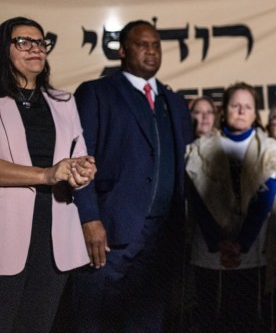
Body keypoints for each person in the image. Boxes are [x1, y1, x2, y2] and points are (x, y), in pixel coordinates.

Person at [72, 19, 193, 332]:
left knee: (146, 321)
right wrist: (88, 219)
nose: (151, 51)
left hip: (161, 234)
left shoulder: (174, 101)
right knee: (95, 320)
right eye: (143, 44)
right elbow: (79, 160)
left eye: (156, 45)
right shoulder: (96, 93)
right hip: (111, 231)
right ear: (123, 50)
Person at [0, 17, 96, 333]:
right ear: (4, 49)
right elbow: (51, 172)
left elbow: (76, 157)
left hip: (54, 240)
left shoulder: (64, 101)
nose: (36, 49)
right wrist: (47, 174)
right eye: (23, 42)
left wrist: (81, 171)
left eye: (41, 42)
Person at [185, 82, 276, 332]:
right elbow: (196, 200)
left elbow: (265, 201)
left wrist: (240, 244)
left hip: (253, 253)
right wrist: (219, 241)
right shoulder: (198, 149)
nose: (241, 111)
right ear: (224, 110)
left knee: (245, 320)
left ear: (255, 113)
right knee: (209, 319)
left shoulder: (270, 149)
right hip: (209, 252)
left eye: (247, 106)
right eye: (235, 105)